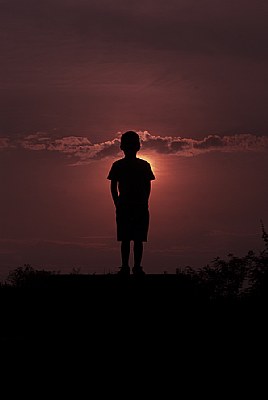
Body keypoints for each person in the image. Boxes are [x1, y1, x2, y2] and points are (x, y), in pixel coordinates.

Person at [107, 131, 155, 276]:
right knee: (127, 239)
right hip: (127, 205)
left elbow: (147, 186)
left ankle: (135, 267)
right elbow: (113, 186)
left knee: (136, 239)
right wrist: (117, 202)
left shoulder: (144, 165)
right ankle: (126, 267)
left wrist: (143, 201)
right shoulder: (118, 165)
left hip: (136, 205)